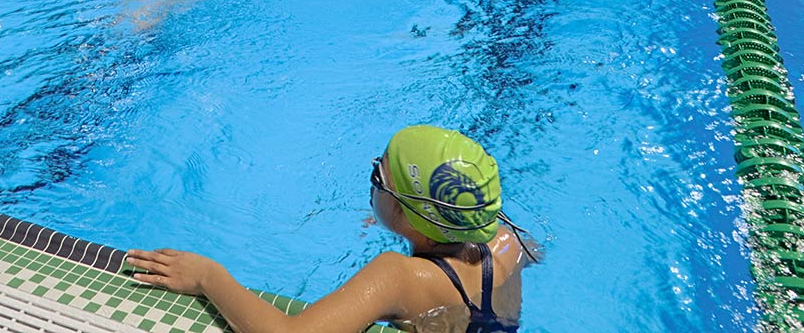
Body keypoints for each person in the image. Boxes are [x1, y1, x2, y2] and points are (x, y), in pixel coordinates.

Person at [128, 126, 529, 333]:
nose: (372, 178)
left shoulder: (398, 277)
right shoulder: (509, 241)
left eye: (378, 175)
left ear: (410, 216)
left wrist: (207, 277)